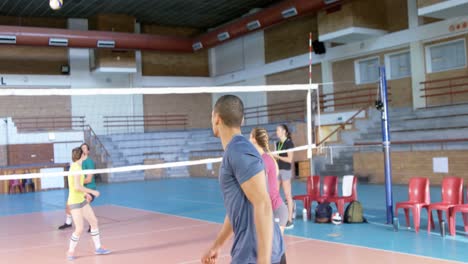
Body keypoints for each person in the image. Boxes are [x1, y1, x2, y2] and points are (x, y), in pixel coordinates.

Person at [202, 95, 285, 264]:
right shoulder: (236, 151)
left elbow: (263, 203)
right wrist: (217, 246)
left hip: (254, 257)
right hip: (254, 254)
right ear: (242, 120)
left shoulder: (238, 150)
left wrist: (263, 260)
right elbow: (237, 210)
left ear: (216, 118)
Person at [66, 147, 110, 260]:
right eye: (84, 154)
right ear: (82, 156)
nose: (86, 155)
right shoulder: (76, 168)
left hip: (82, 200)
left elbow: (76, 186)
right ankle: (70, 252)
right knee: (79, 229)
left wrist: (85, 195)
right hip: (75, 202)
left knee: (94, 221)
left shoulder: (77, 166)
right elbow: (76, 186)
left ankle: (98, 248)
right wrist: (92, 191)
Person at [250, 127, 289, 234]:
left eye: (250, 137)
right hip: (268, 211)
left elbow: (265, 189)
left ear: (254, 139)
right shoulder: (264, 158)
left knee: (275, 249)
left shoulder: (263, 160)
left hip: (276, 210)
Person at [273, 124, 295, 230]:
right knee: (275, 194)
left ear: (284, 131)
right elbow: (277, 160)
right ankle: (277, 216)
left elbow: (289, 159)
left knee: (287, 195)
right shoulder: (277, 144)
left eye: (278, 130)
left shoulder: (289, 143)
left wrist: (277, 156)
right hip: (278, 171)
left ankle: (289, 219)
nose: (277, 132)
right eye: (276, 130)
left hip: (285, 170)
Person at [81, 143, 97, 233]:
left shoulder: (89, 162)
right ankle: (68, 222)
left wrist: (76, 183)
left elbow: (89, 179)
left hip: (90, 189)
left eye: (84, 148)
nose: (82, 150)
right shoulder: (79, 162)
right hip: (81, 189)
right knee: (68, 205)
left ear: (88, 151)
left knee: (84, 206)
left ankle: (92, 224)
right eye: (81, 148)